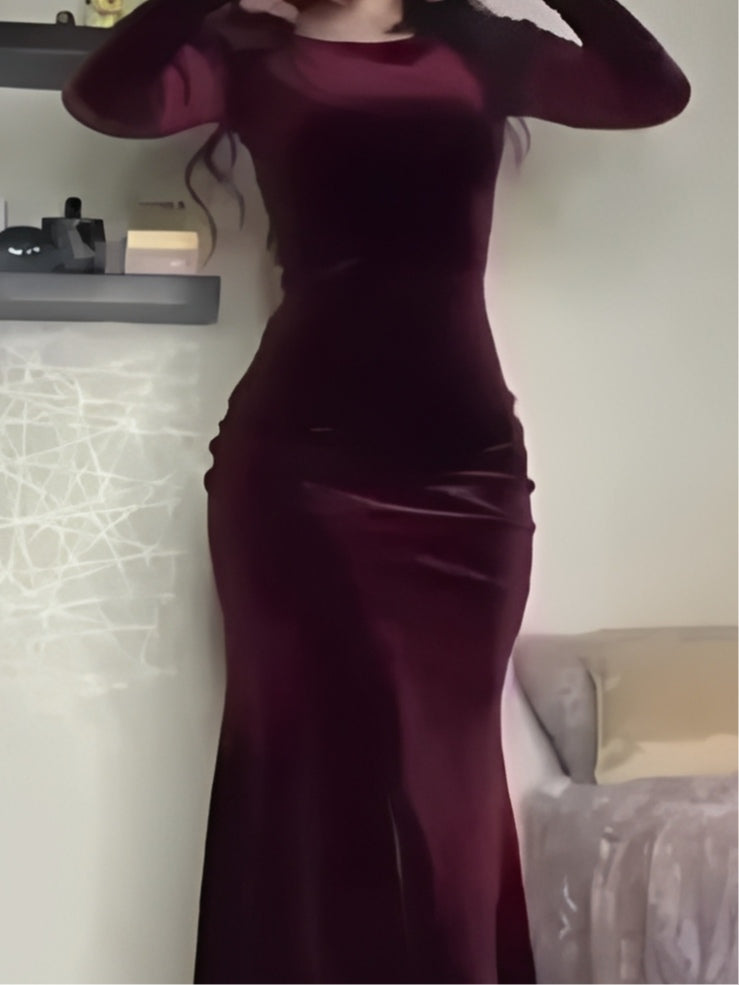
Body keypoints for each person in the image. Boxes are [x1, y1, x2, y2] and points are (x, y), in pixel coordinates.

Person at [61, 1, 690, 981]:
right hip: (296, 481)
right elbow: (104, 97)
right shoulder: (248, 56)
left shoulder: (480, 50)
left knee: (448, 793)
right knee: (298, 786)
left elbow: (651, 92)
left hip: (463, 483)